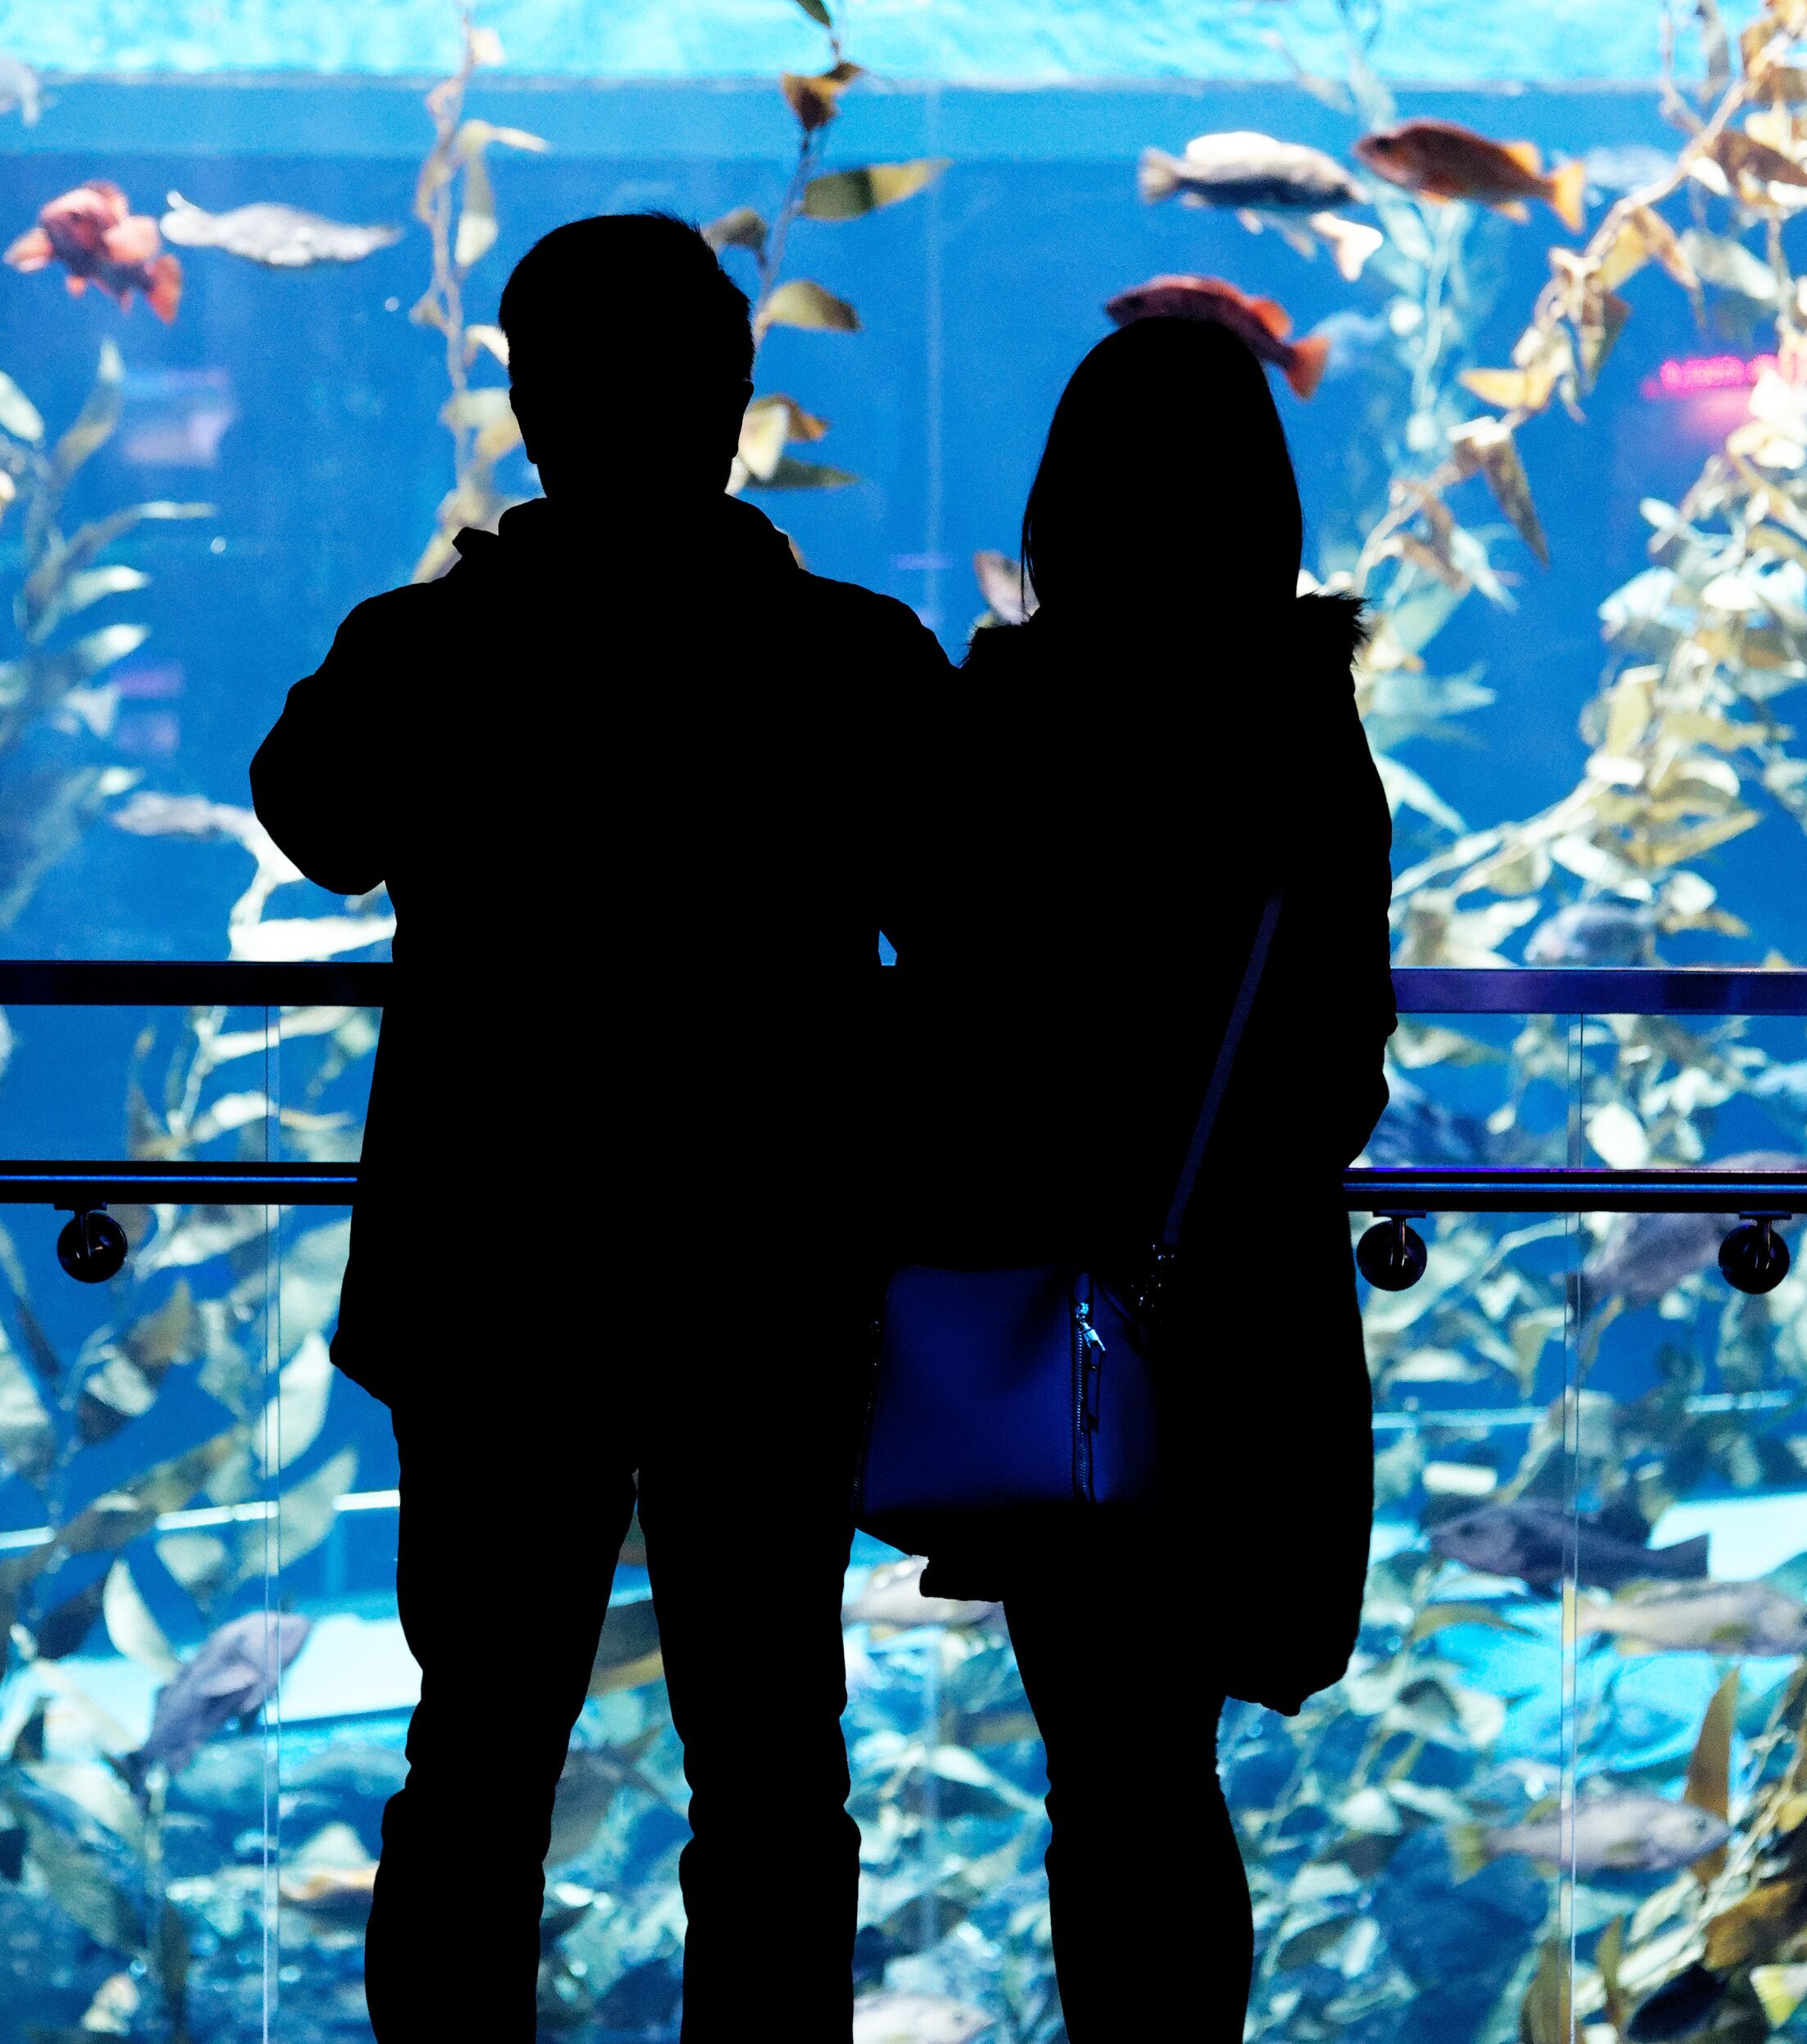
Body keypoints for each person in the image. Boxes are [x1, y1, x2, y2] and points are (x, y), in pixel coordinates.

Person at [248, 213, 951, 2040]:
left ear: (531, 408)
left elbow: (310, 810)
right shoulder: (853, 661)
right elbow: (967, 911)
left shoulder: (438, 652)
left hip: (498, 1285)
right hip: (770, 1286)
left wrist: (474, 600)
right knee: (777, 1766)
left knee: (477, 1749)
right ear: (733, 400)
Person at [896, 315, 1394, 2040]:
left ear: (1066, 502)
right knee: (1165, 1762)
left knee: (1105, 1764)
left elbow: (938, 997)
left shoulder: (1007, 719)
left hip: (1055, 1298)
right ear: (1261, 501)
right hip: (1240, 1306)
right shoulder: (1303, 727)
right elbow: (1340, 1069)